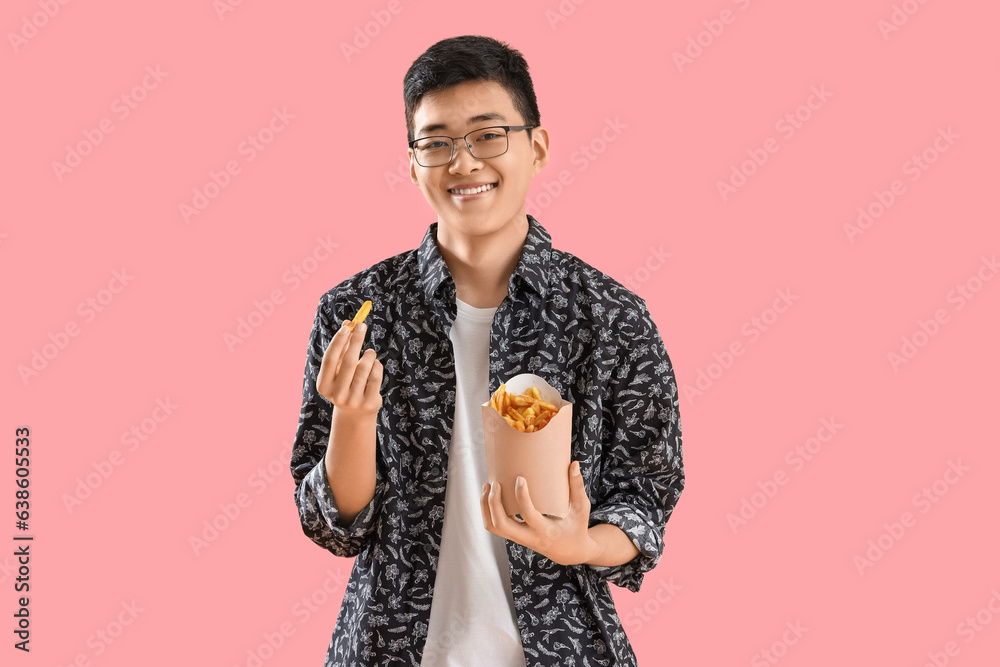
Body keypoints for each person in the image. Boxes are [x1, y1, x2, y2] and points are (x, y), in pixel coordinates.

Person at [290, 35, 684, 667]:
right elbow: (338, 526)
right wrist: (354, 418)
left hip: (565, 646)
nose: (463, 162)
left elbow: (644, 497)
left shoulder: (609, 316)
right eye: (436, 142)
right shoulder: (357, 312)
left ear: (538, 147)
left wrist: (580, 543)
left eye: (487, 135)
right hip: (388, 646)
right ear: (413, 163)